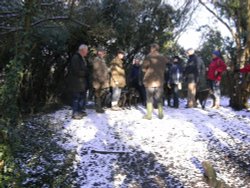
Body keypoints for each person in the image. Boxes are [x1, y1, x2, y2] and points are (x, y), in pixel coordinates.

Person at [142, 43, 167, 120]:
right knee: (159, 98)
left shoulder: (149, 56)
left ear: (152, 48)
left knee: (149, 98)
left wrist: (145, 71)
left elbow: (143, 67)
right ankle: (160, 114)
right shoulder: (163, 58)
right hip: (159, 81)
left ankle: (149, 115)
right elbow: (164, 69)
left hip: (150, 81)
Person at [68, 44, 89, 119]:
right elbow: (75, 70)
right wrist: (85, 73)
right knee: (76, 98)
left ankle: (80, 111)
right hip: (76, 83)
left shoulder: (83, 58)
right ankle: (75, 113)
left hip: (82, 83)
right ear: (82, 50)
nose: (87, 52)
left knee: (81, 98)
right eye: (86, 50)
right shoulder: (76, 57)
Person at [92, 47, 110, 113]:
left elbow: (104, 70)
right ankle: (98, 108)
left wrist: (108, 70)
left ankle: (99, 107)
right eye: (102, 52)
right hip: (98, 81)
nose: (104, 54)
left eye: (104, 53)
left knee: (102, 94)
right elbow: (97, 70)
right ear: (99, 53)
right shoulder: (97, 59)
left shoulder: (102, 60)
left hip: (102, 81)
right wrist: (101, 79)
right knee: (98, 94)